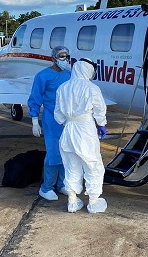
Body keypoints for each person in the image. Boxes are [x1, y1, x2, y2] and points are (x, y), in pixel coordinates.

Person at [54, 58, 108, 214]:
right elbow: (99, 108)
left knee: (71, 165)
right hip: (85, 130)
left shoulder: (62, 88)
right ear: (88, 70)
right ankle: (93, 202)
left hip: (68, 130)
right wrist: (101, 124)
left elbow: (57, 114)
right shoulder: (92, 88)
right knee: (92, 165)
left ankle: (72, 201)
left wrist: (69, 122)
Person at [27, 45, 72, 201]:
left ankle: (61, 184)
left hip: (67, 120)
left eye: (66, 56)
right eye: (61, 56)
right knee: (53, 154)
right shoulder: (43, 76)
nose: (64, 59)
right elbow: (35, 99)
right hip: (51, 120)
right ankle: (46, 187)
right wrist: (34, 121)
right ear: (53, 58)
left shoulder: (70, 75)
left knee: (66, 153)